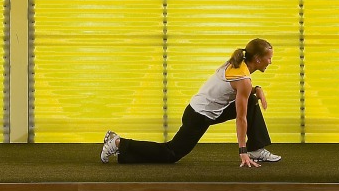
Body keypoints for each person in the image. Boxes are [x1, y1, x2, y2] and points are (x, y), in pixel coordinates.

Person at [101, 38, 280, 167]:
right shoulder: (243, 79)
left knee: (251, 102)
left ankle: (256, 149)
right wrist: (242, 152)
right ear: (257, 59)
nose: (270, 62)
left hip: (209, 111)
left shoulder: (239, 63)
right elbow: (241, 118)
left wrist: (257, 90)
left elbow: (241, 92)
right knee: (171, 153)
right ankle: (118, 143)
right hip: (199, 116)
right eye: (268, 58)